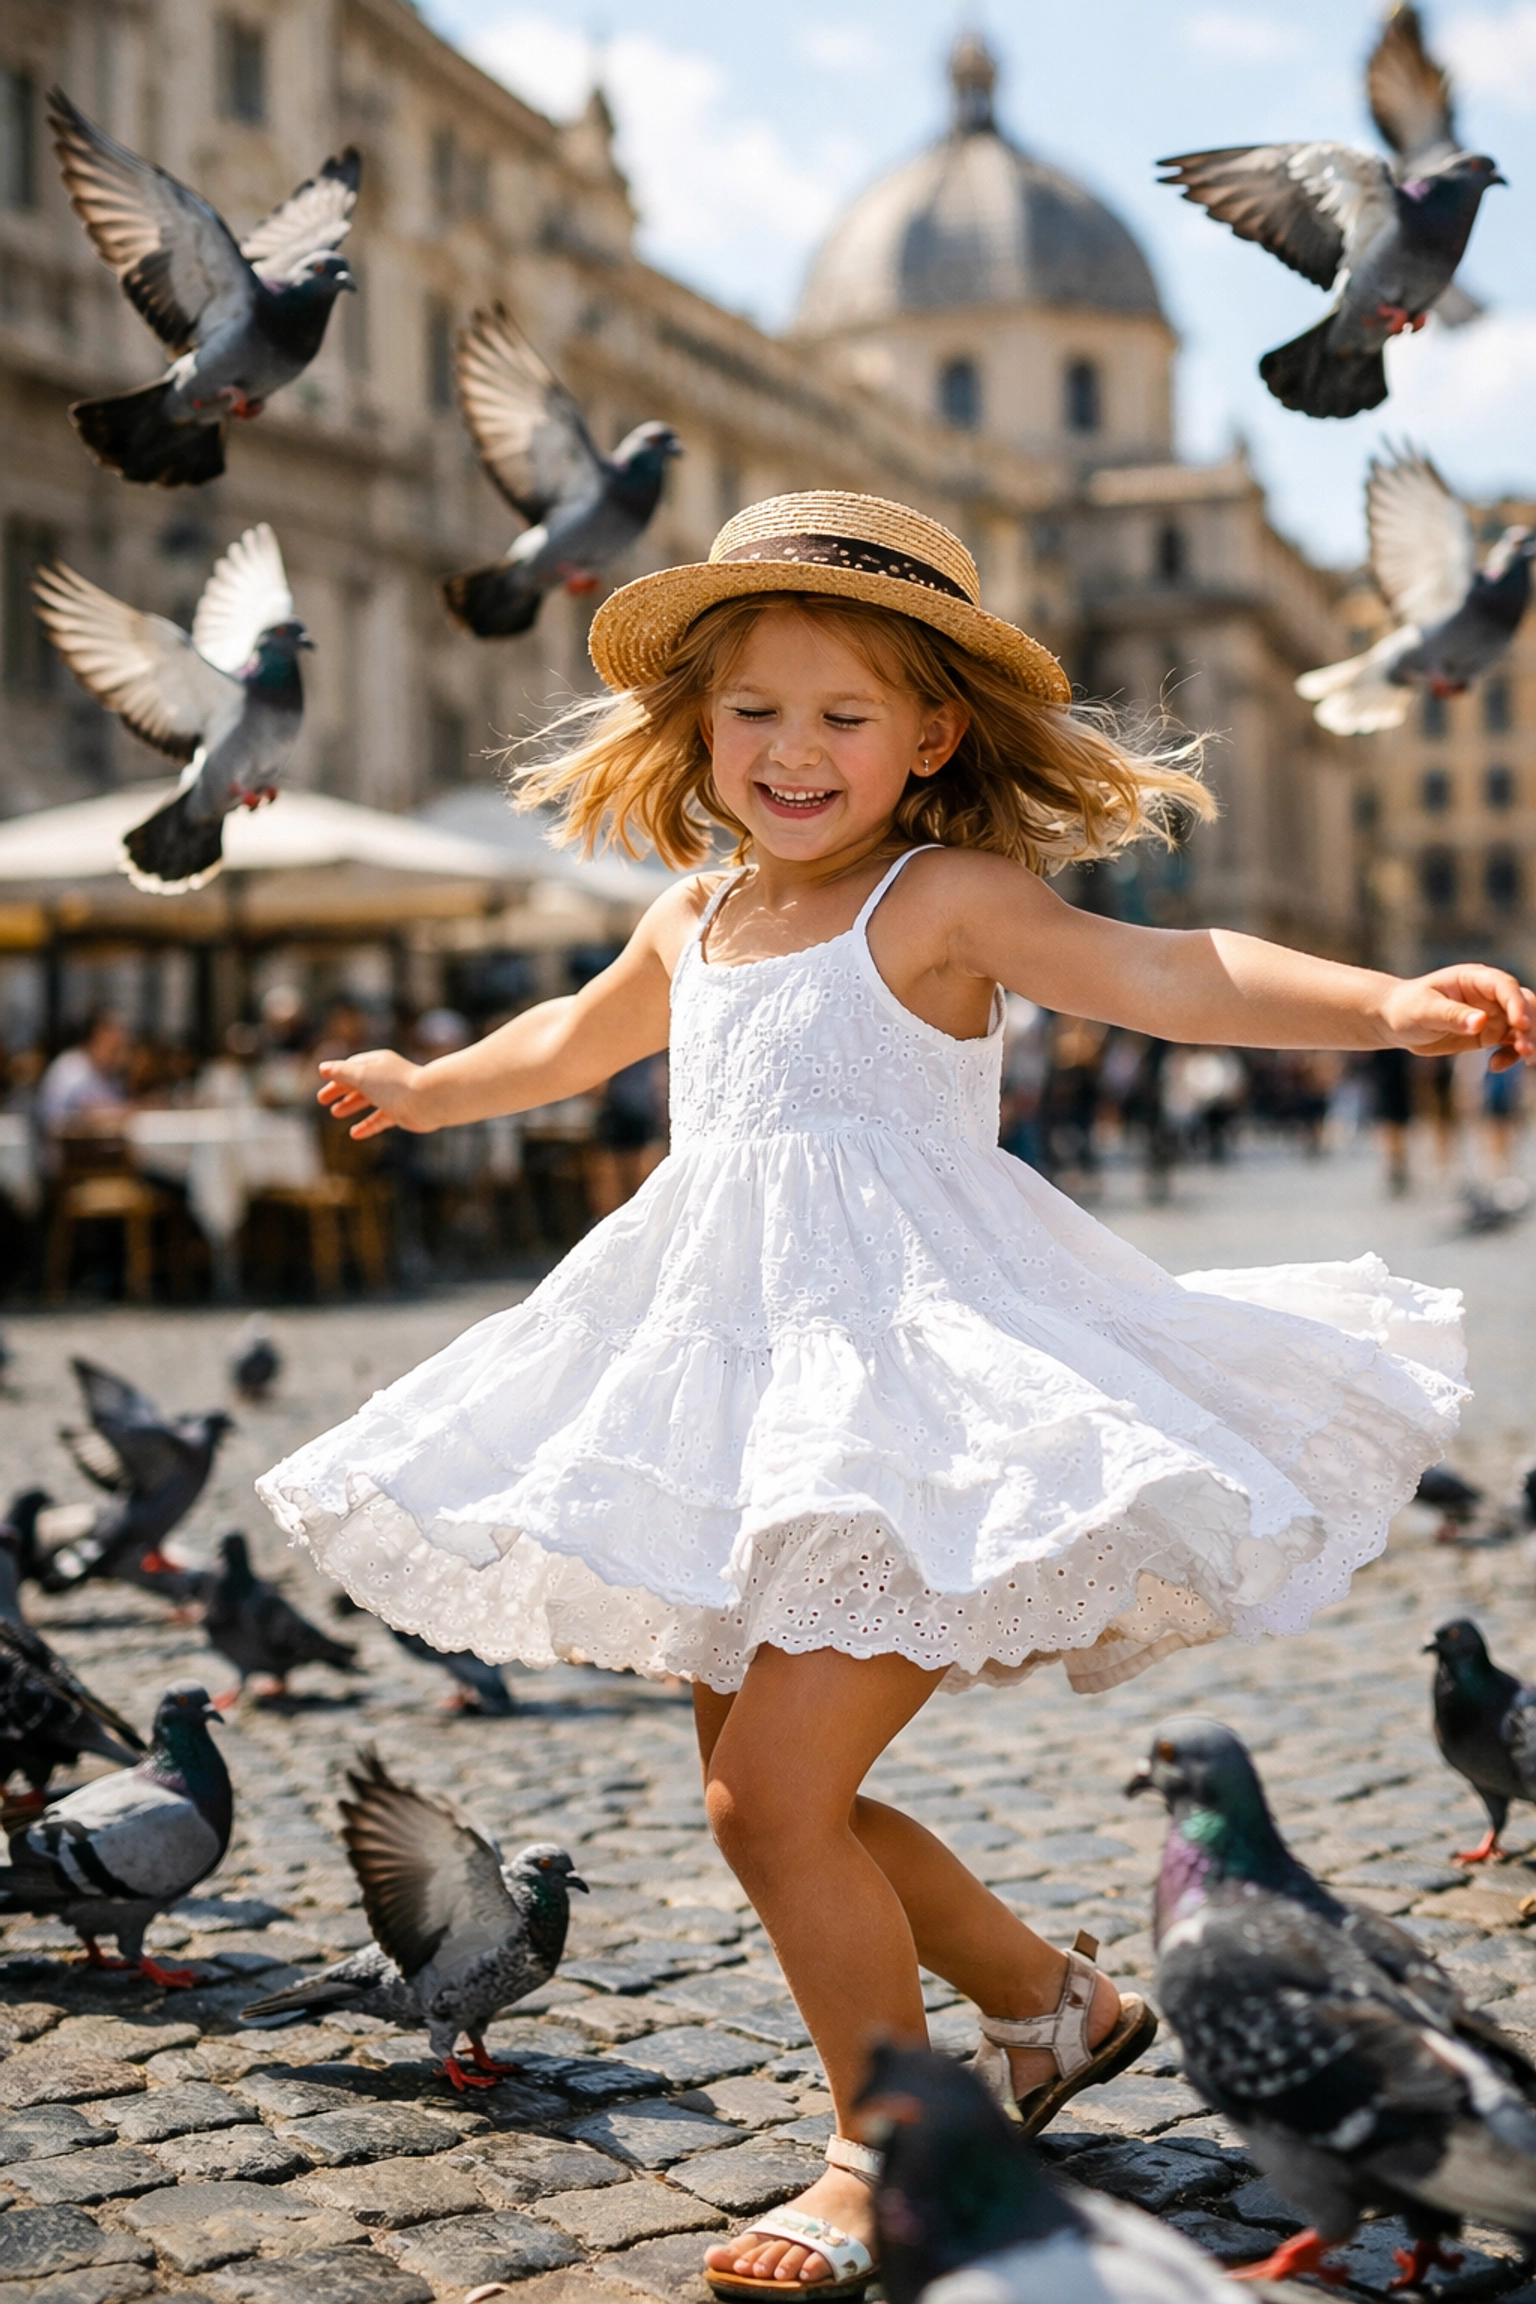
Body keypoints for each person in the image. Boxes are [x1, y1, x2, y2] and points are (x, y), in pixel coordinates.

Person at [257, 493, 1527, 2301]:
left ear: (932, 733)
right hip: (726, 1398)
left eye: (844, 714)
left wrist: (1389, 1004)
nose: (793, 750)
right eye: (757, 707)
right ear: (698, 720)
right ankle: (1050, 2002)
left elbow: (1168, 969)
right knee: (777, 1793)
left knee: (767, 1798)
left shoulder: (941, 897)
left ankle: (882, 2138)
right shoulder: (690, 916)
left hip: (909, 1389)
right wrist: (430, 1081)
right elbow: (567, 1040)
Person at [36, 1011, 131, 1140]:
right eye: (114, 1047)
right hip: (67, 1155)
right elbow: (56, 1119)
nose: (119, 1054)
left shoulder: (112, 1076)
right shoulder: (70, 1068)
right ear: (97, 1038)